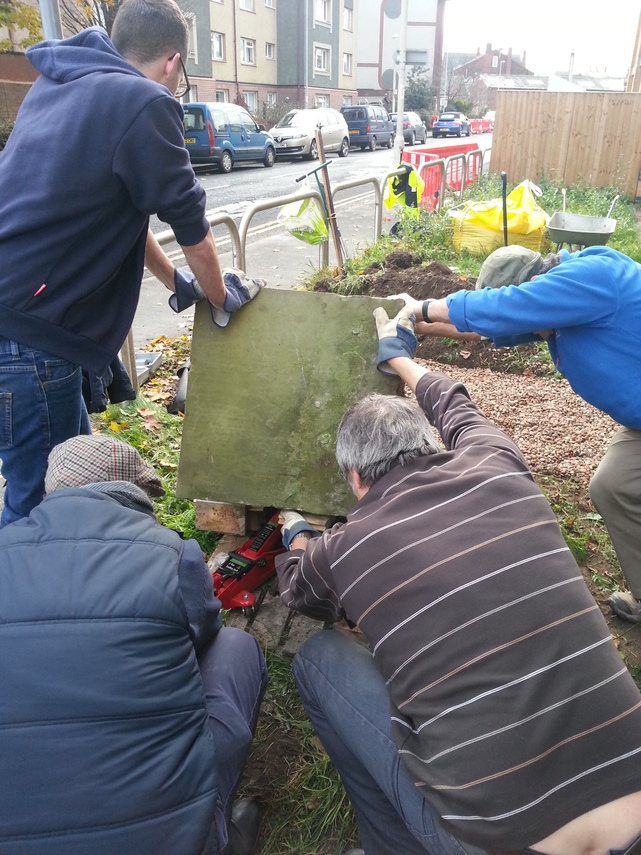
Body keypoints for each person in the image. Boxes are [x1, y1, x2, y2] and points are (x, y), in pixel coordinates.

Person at [274, 304, 641, 855]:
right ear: (431, 444)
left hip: (500, 842)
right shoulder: (498, 465)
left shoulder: (345, 548)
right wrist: (398, 359)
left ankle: (389, 845)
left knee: (317, 659)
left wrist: (297, 533)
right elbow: (456, 403)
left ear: (354, 477)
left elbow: (299, 589)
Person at [0, 0, 261, 528]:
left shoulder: (59, 84)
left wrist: (177, 283)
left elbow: (124, 212)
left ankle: (77, 597)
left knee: (77, 481)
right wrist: (219, 296)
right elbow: (192, 226)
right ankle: (28, 607)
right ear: (172, 61)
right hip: (31, 337)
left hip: (24, 324)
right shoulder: (143, 102)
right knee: (39, 511)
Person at [0, 434, 267, 855]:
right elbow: (204, 633)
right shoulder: (171, 552)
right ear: (133, 492)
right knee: (235, 647)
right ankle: (220, 834)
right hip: (167, 839)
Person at [397, 244, 641, 623]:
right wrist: (419, 325)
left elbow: (501, 309)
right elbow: (486, 327)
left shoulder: (593, 278)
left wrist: (422, 306)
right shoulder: (562, 307)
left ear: (536, 284)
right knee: (613, 486)